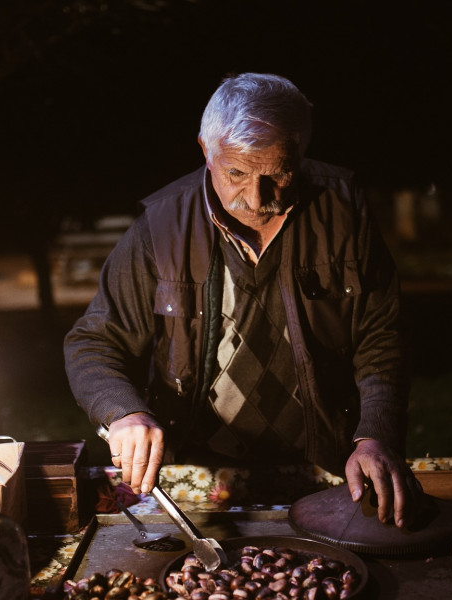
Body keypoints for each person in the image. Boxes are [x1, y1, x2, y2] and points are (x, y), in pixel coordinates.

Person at [64, 72, 420, 528]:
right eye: (236, 173)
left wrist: (375, 436)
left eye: (278, 174)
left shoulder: (344, 210)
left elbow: (383, 335)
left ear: (302, 155)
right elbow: (94, 341)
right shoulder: (161, 226)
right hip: (197, 469)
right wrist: (124, 412)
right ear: (204, 150)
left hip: (332, 465)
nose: (256, 198)